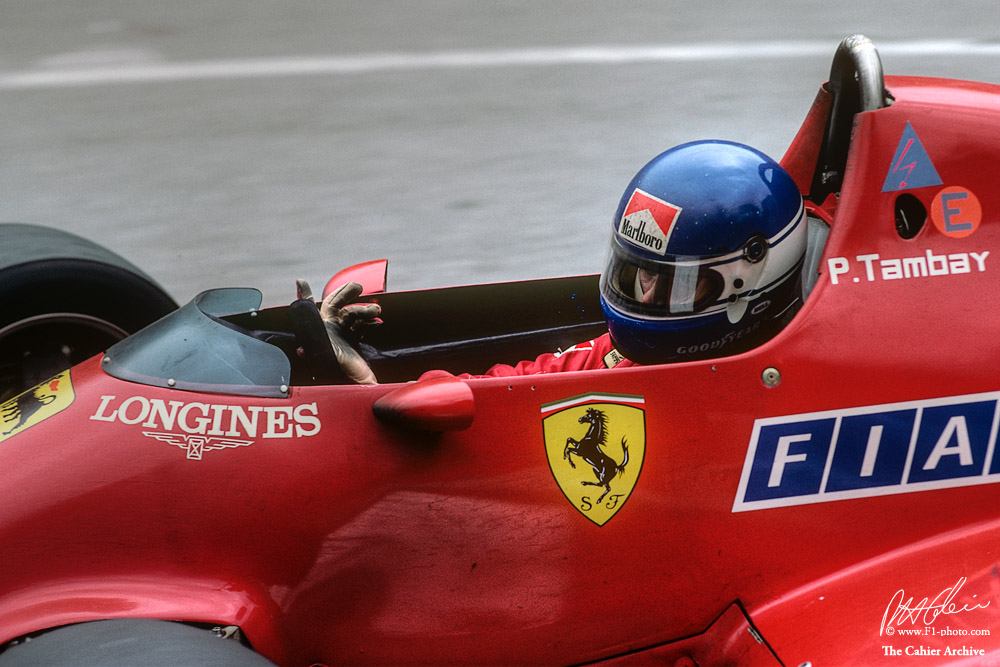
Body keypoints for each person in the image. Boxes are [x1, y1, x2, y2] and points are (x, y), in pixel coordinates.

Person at [320, 140, 810, 384]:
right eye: (640, 274)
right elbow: (518, 389)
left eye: (681, 286)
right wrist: (369, 382)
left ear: (750, 282)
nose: (648, 299)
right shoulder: (619, 357)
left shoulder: (813, 371)